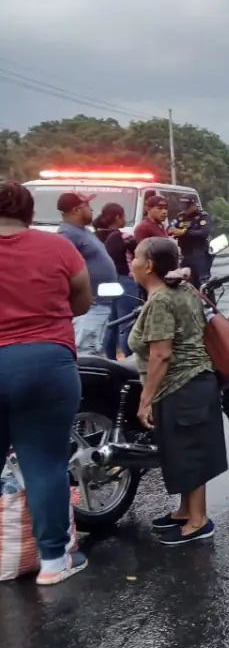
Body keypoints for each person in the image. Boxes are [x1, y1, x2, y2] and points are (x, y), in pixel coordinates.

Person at [0, 180, 92, 584]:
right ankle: (53, 563)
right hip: (46, 362)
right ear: (30, 212)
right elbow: (82, 301)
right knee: (45, 466)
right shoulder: (57, 247)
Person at [127, 237, 227, 545]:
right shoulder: (182, 290)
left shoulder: (160, 301)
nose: (131, 263)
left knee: (189, 452)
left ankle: (199, 521)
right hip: (195, 383)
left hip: (182, 384)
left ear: (149, 266)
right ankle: (186, 511)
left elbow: (161, 354)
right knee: (185, 450)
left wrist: (146, 400)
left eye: (136, 257)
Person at [57, 192, 118, 357]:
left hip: (99, 303)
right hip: (89, 307)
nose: (91, 210)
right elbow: (61, 268)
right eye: (87, 206)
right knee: (85, 352)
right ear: (77, 210)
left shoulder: (82, 231)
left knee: (94, 349)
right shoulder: (68, 235)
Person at [94, 203, 138, 359]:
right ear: (118, 217)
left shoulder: (96, 235)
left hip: (107, 283)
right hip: (126, 281)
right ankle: (129, 360)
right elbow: (138, 252)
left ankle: (111, 360)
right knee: (127, 324)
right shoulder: (123, 237)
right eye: (124, 216)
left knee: (111, 324)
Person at [170, 195, 212, 283]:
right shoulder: (180, 217)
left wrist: (185, 232)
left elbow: (204, 232)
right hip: (185, 253)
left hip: (199, 253)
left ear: (194, 205)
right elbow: (171, 228)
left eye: (187, 207)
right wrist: (172, 230)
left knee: (203, 281)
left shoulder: (202, 216)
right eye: (183, 207)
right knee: (185, 280)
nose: (184, 210)